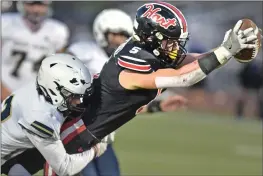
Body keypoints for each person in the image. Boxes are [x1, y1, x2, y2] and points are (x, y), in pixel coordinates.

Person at [5, 2, 259, 175]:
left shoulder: (145, 48)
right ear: (152, 36)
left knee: (18, 167)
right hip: (72, 135)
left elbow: (186, 60)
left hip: (82, 129)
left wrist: (225, 51)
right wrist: (225, 53)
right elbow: (182, 78)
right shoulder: (132, 67)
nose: (175, 48)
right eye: (170, 41)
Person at [1, 53, 109, 176]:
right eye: (73, 95)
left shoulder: (42, 89)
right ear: (55, 89)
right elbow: (66, 168)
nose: (78, 101)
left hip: (10, 157)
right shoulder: (40, 117)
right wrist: (95, 150)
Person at [1, 1, 70, 102]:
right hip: (5, 89)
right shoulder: (5, 23)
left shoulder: (58, 31)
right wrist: (4, 93)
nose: (36, 10)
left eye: (41, 5)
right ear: (22, 4)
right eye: (31, 4)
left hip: (36, 98)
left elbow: (59, 70)